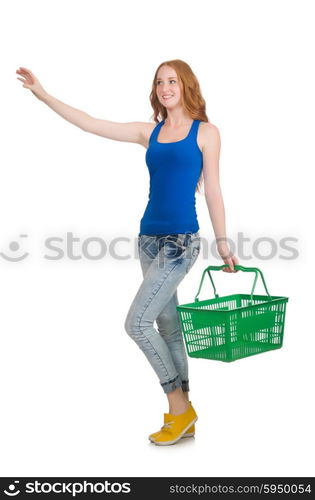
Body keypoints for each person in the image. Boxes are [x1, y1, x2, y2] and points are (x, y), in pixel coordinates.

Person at [16, 59, 239, 446]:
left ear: (186, 85)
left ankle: (178, 408)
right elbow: (90, 123)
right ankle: (185, 413)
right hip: (148, 240)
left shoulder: (207, 133)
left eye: (172, 80)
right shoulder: (148, 132)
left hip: (180, 242)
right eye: (159, 82)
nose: (165, 87)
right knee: (167, 326)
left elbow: (214, 188)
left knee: (136, 324)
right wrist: (43, 94)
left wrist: (222, 242)